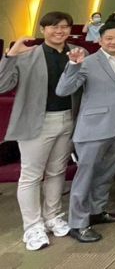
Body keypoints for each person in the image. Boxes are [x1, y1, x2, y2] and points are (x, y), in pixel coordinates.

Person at [0, 12, 85, 250]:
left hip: (68, 118)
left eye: (64, 27)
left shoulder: (78, 52)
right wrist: (9, 57)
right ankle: (32, 226)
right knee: (31, 175)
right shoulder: (26, 54)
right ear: (42, 29)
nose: (59, 31)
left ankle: (53, 216)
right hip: (36, 121)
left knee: (57, 171)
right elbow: (2, 85)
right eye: (53, 27)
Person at [55, 23, 115, 242]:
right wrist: (73, 65)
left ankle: (97, 211)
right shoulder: (88, 62)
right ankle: (78, 223)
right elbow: (63, 90)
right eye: (109, 38)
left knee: (106, 174)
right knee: (85, 177)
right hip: (93, 127)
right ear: (100, 40)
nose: (114, 42)